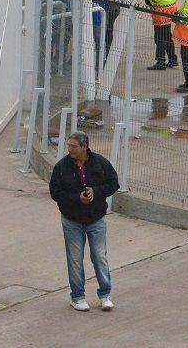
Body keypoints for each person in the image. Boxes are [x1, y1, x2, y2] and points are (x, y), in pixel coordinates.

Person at [49, 131, 119, 312]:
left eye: (73, 146)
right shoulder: (61, 167)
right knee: (75, 260)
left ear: (84, 146)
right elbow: (55, 193)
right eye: (69, 145)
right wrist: (77, 198)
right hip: (72, 220)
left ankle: (105, 295)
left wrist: (96, 191)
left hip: (96, 219)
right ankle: (77, 297)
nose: (69, 149)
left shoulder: (100, 163)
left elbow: (113, 183)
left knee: (99, 257)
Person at [144, 0, 179, 69]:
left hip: (161, 12)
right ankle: (172, 59)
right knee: (166, 36)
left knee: (159, 38)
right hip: (167, 10)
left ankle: (160, 62)